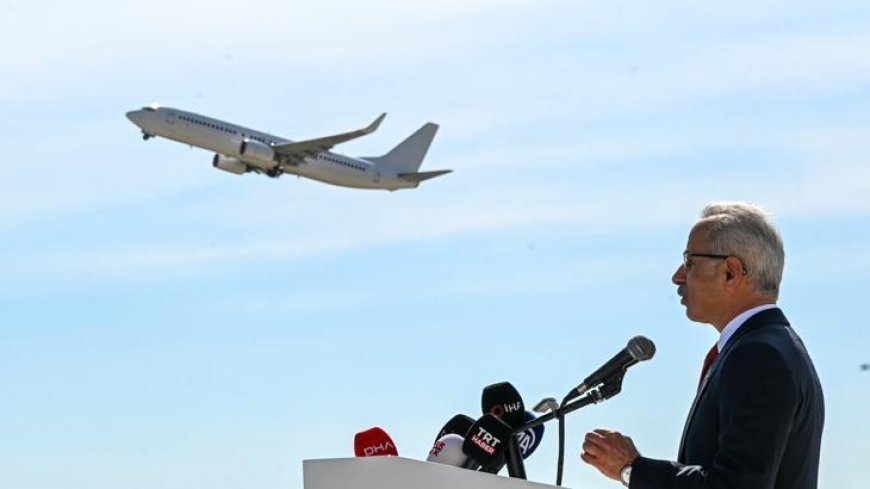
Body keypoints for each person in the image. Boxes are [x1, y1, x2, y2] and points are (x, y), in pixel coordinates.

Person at [580, 202, 824, 489]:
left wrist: (633, 469)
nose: (678, 276)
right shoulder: (769, 347)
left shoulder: (760, 355)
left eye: (690, 262)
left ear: (731, 272)